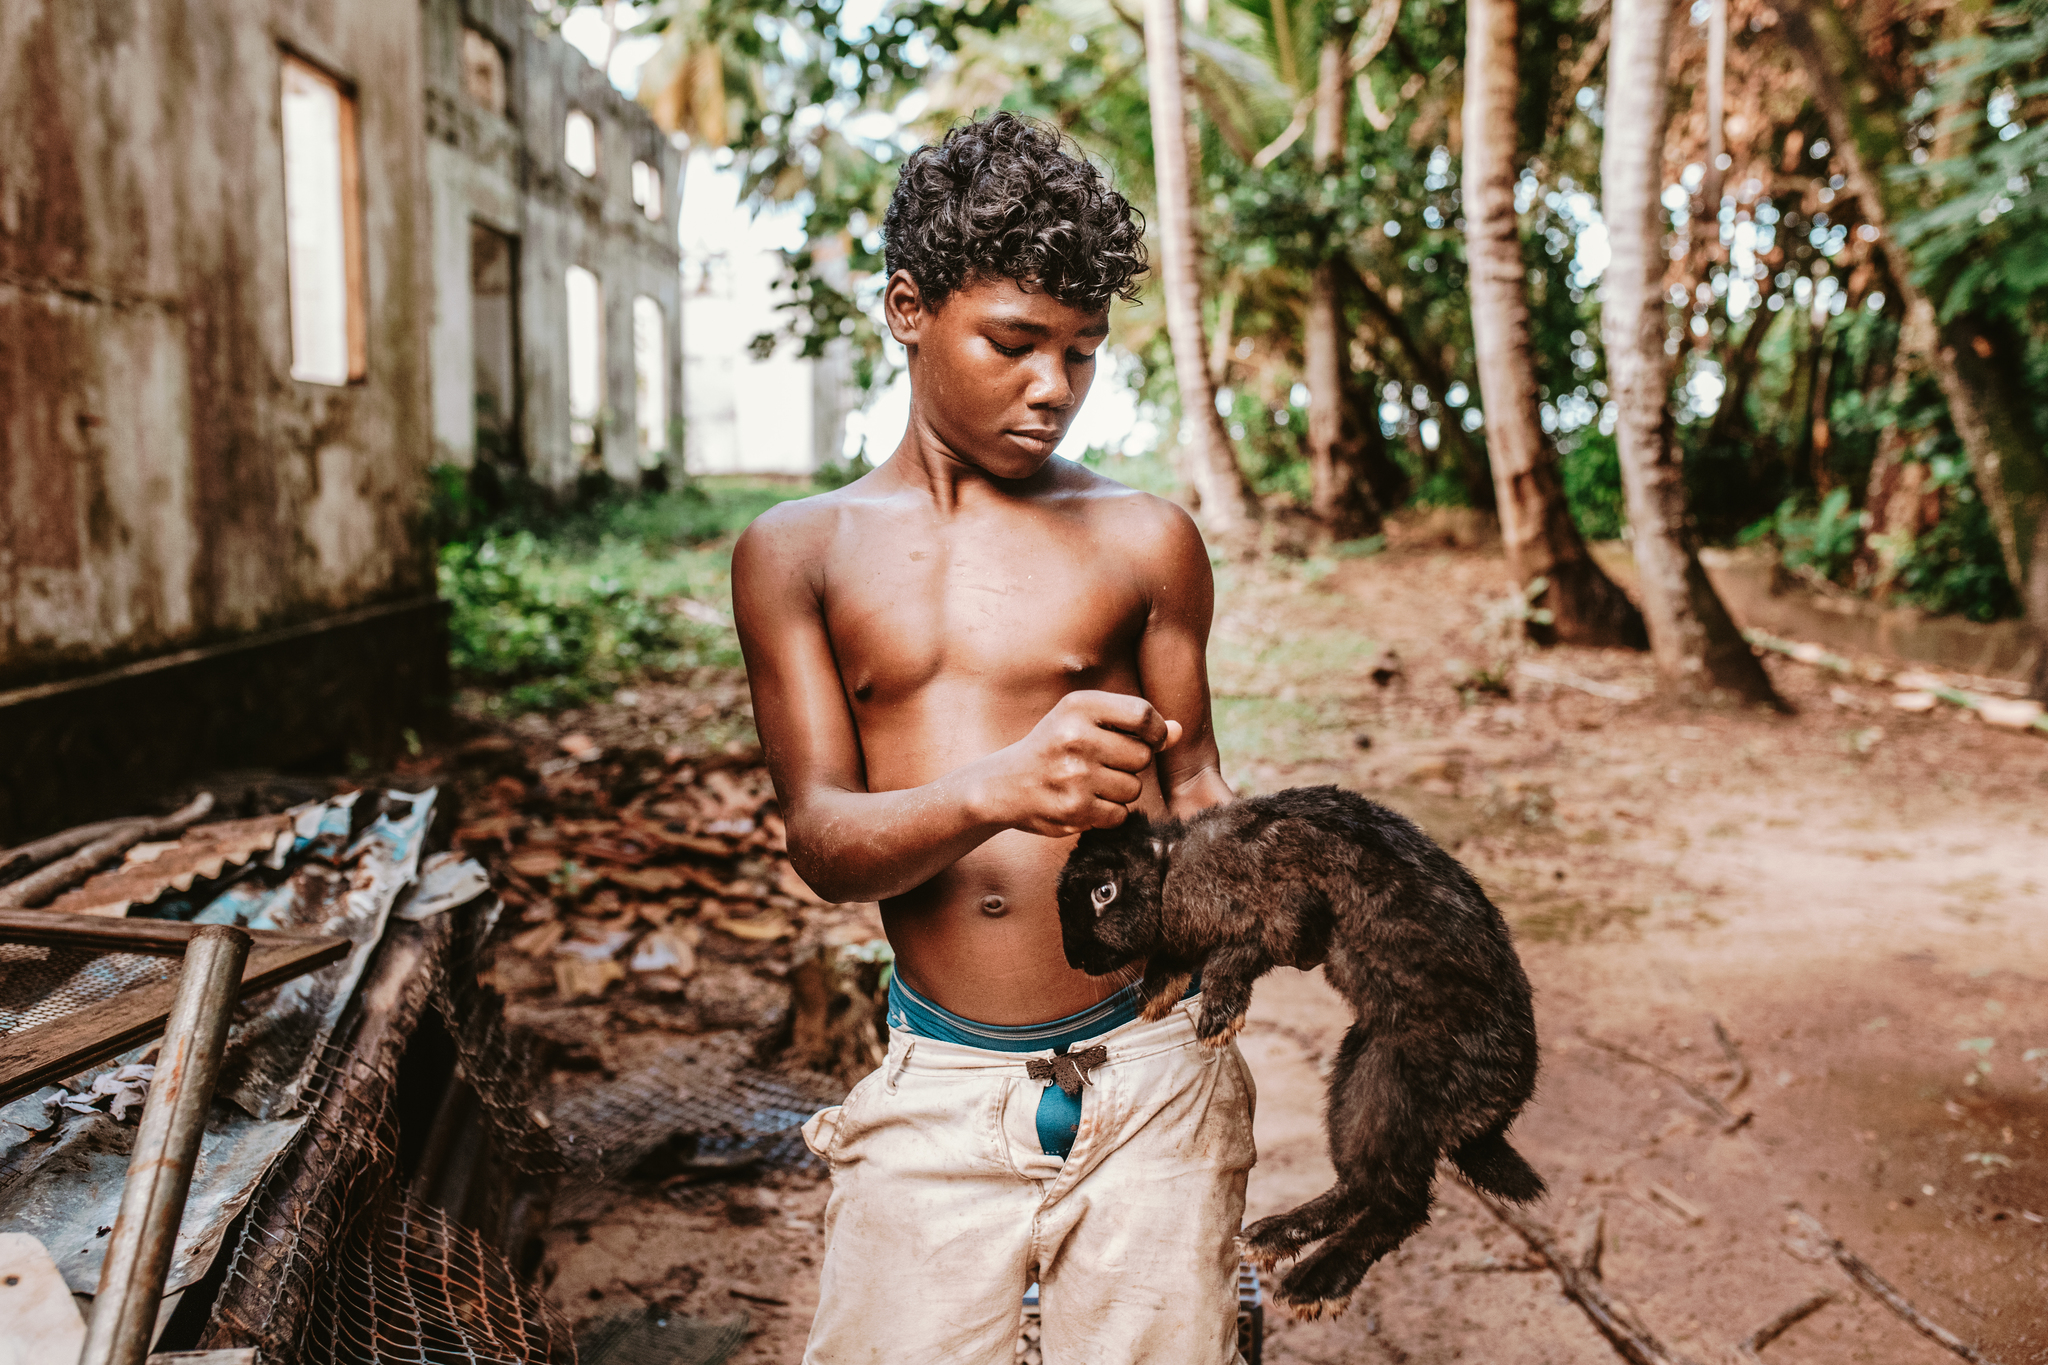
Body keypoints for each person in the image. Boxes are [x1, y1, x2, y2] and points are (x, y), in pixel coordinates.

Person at [732, 112, 1252, 1365]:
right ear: (909, 307)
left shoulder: (1144, 539)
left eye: (1082, 353)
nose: (1052, 389)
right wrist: (1000, 787)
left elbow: (1197, 787)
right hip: (940, 1086)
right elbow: (824, 843)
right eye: (1013, 343)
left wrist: (1256, 902)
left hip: (1150, 1076)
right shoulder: (798, 553)